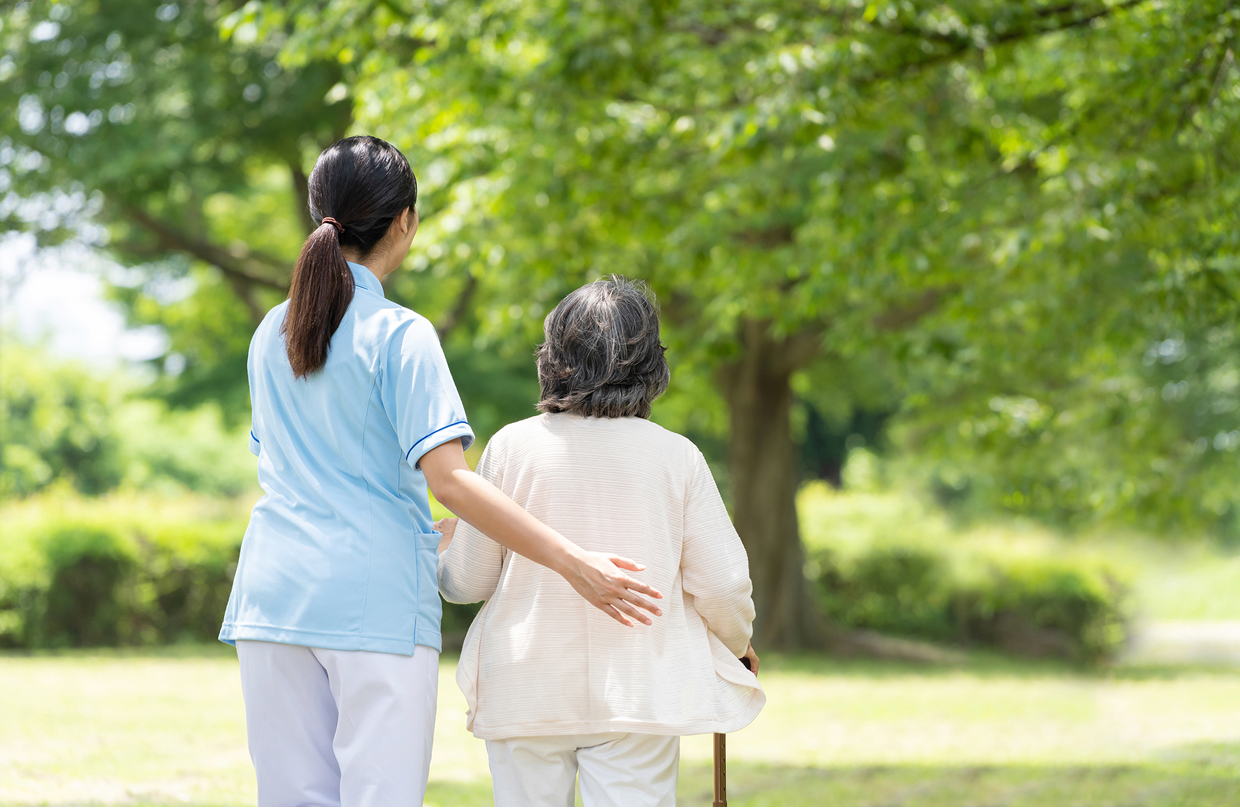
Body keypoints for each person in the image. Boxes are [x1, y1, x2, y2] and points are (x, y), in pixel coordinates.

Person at [218, 136, 664, 808]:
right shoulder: (401, 334)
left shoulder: (271, 333)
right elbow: (450, 479)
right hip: (373, 601)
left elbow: (311, 469)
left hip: (270, 597)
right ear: (406, 221)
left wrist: (423, 526)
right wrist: (575, 562)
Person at [437, 276, 765, 808]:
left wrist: (447, 548)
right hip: (637, 688)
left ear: (553, 355)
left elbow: (466, 582)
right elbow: (724, 585)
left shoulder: (511, 447)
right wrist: (735, 645)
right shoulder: (676, 456)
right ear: (651, 363)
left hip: (527, 686)